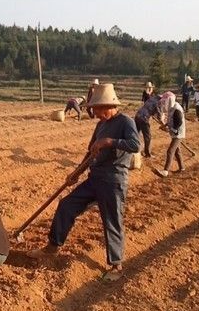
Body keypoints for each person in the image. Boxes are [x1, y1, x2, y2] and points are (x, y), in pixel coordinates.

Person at [27, 83, 140, 281]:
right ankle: (52, 247)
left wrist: (109, 142)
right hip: (94, 178)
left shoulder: (125, 122)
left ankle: (116, 265)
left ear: (107, 105)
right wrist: (76, 173)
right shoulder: (101, 124)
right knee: (67, 204)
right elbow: (90, 152)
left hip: (113, 180)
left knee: (112, 220)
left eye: (96, 109)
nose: (95, 113)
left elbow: (135, 145)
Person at [155, 93, 185, 178]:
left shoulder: (177, 109)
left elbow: (179, 122)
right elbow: (171, 119)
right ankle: (182, 168)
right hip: (176, 133)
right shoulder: (172, 108)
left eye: (166, 101)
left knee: (170, 151)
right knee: (177, 151)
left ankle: (165, 171)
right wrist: (165, 125)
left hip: (178, 133)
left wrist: (173, 130)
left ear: (170, 100)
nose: (164, 103)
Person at [134, 93, 161, 158]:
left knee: (136, 134)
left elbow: (150, 109)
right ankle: (148, 153)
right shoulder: (158, 102)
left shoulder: (152, 98)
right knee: (147, 136)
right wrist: (162, 122)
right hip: (144, 118)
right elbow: (159, 114)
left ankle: (135, 151)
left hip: (137, 115)